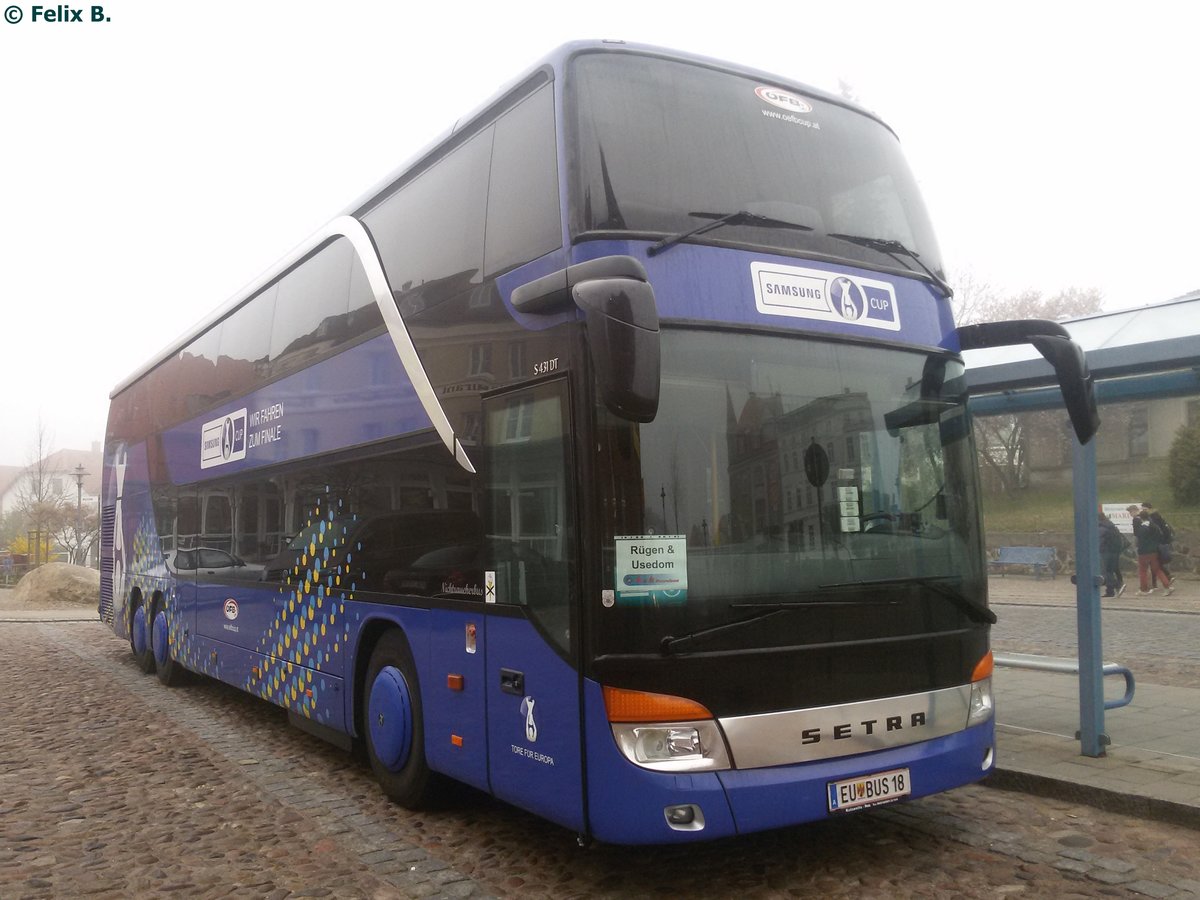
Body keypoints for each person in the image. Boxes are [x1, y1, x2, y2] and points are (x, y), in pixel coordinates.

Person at [1128, 505, 1173, 596]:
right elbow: (1159, 536)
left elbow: (1139, 539)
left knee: (1143, 570)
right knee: (1157, 569)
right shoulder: (1153, 525)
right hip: (1154, 551)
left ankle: (1143, 589)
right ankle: (1167, 586)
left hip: (1144, 552)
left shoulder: (1141, 528)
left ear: (1141, 518)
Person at [1141, 502, 1175, 589]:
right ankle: (1158, 581)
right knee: (1155, 563)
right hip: (1162, 543)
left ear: (1150, 509)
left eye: (1145, 509)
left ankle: (1164, 579)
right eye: (1143, 509)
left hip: (1158, 543)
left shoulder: (1153, 518)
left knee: (1155, 563)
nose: (1143, 511)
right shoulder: (1157, 516)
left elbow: (1156, 532)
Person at [1097, 511, 1126, 598]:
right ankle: (1110, 591)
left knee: (1106, 572)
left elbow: (1099, 541)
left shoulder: (1101, 528)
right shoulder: (1110, 525)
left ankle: (1118, 585)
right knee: (1110, 570)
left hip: (1106, 552)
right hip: (1115, 551)